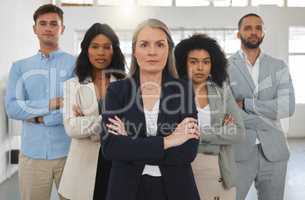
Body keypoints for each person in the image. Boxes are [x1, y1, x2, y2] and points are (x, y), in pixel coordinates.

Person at [101, 18, 200, 200]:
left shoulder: (184, 90)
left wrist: (131, 143)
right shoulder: (117, 91)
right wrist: (169, 141)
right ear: (135, 51)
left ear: (168, 49)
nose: (152, 52)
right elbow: (111, 148)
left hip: (176, 189)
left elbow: (188, 152)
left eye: (160, 45)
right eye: (144, 45)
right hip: (126, 190)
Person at [5, 4, 75, 200]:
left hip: (69, 155)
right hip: (32, 156)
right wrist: (51, 104)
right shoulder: (20, 67)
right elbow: (12, 108)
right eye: (42, 23)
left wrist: (37, 118)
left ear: (62, 29)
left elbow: (77, 108)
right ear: (34, 29)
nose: (48, 28)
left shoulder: (76, 64)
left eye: (54, 24)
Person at [227, 13, 295, 200]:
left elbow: (287, 106)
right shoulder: (224, 67)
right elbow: (226, 113)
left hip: (274, 153)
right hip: (238, 153)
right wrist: (268, 113)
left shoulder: (279, 66)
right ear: (238, 33)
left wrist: (246, 104)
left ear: (263, 33)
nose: (254, 32)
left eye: (258, 28)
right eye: (248, 28)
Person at [58, 23, 126, 200]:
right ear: (86, 50)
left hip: (118, 166)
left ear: (114, 50)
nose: (100, 53)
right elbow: (71, 128)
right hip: (81, 171)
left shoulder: (126, 84)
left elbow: (133, 126)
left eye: (106, 47)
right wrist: (110, 121)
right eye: (95, 47)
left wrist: (88, 123)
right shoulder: (72, 85)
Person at [174, 34, 245, 200]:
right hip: (184, 171)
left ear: (213, 64)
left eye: (206, 62)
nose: (200, 67)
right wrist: (221, 133)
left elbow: (239, 133)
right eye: (193, 61)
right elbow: (169, 135)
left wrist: (194, 134)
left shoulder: (222, 91)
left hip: (220, 172)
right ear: (183, 63)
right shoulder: (173, 93)